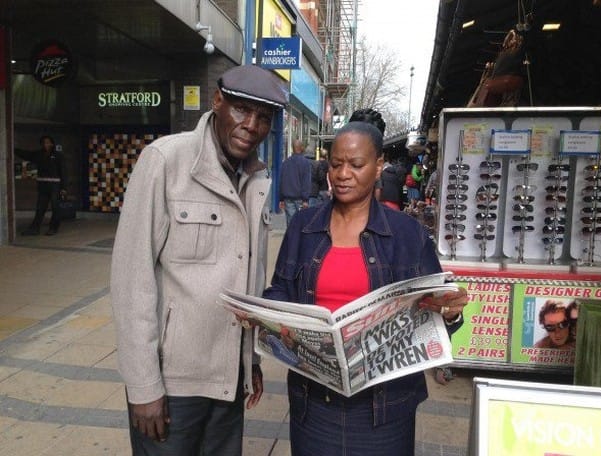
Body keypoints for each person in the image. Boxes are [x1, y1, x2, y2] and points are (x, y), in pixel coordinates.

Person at [110, 64, 288, 455]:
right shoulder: (165, 161)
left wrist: (250, 361)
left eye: (263, 118)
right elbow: (130, 280)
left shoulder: (257, 177)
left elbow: (248, 279)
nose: (251, 126)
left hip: (227, 381)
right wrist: (143, 387)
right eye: (242, 110)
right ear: (217, 101)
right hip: (173, 385)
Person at [263, 121, 468, 455]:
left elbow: (434, 311)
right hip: (314, 400)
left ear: (378, 166)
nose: (343, 174)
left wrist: (448, 311)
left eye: (356, 165)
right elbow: (279, 291)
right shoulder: (303, 226)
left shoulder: (407, 234)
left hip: (385, 407)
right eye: (335, 164)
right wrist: (273, 320)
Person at [15, 135, 66, 236]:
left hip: (55, 185)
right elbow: (27, 154)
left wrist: (64, 187)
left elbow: (63, 171)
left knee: (55, 207)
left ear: (52, 143)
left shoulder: (58, 155)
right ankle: (34, 228)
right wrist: (13, 149)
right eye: (43, 142)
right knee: (40, 208)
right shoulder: (39, 154)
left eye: (47, 142)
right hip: (43, 185)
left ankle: (53, 228)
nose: (45, 144)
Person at [279, 138, 311, 226]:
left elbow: (282, 180)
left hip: (288, 198)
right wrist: (305, 199)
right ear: (301, 148)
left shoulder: (285, 163)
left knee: (291, 224)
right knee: (302, 224)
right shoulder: (305, 163)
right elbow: (306, 182)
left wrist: (281, 198)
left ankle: (292, 239)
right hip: (300, 199)